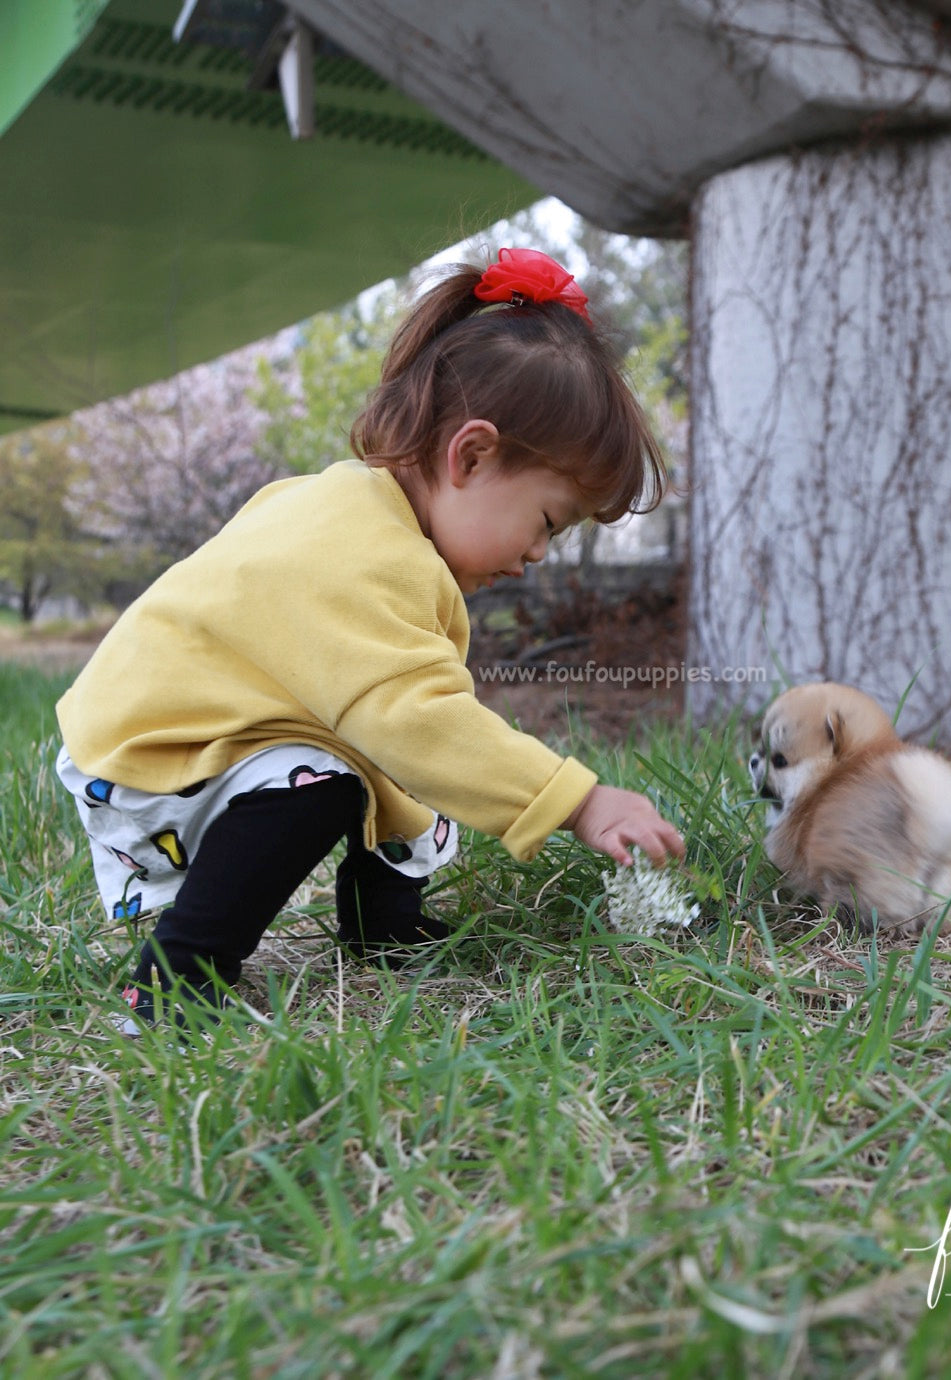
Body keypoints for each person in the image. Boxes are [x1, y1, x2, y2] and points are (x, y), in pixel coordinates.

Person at [56, 247, 685, 1030]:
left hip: (208, 732)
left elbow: (405, 727)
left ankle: (381, 927)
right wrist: (577, 800)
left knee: (391, 753)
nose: (536, 556)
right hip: (151, 755)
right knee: (332, 776)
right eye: (547, 522)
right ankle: (175, 980)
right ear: (472, 455)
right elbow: (417, 725)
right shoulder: (360, 551)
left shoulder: (370, 518)